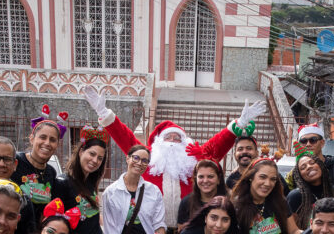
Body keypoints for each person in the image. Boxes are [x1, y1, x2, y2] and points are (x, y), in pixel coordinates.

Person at [84, 85, 266, 226]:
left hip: (188, 229)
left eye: (177, 138)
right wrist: (104, 113)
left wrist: (240, 122)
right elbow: (124, 136)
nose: (172, 141)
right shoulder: (147, 159)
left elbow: (218, 144)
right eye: (168, 137)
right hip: (152, 229)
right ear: (158, 142)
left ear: (185, 143)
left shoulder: (194, 159)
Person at [53, 127, 108, 234]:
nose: (95, 160)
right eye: (92, 154)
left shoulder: (91, 181)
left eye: (100, 158)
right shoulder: (62, 183)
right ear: (81, 151)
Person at [102, 144, 166, 234]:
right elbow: (111, 231)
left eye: (144, 161)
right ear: (128, 159)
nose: (139, 163)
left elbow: (159, 225)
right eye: (136, 158)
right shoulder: (111, 192)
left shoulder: (153, 191)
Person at [15, 106, 65, 234]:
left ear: (57, 144)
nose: (47, 143)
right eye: (43, 137)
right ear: (32, 138)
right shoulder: (16, 163)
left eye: (52, 140)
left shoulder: (51, 172)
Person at [287, 145, 334, 230]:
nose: (309, 167)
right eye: (303, 167)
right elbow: (292, 231)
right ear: (300, 175)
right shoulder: (295, 197)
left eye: (312, 163)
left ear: (320, 165)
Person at [176, 159, 227, 230]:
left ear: (219, 179)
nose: (205, 181)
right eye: (201, 177)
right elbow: (181, 231)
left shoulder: (227, 202)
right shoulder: (186, 202)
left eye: (210, 176)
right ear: (195, 179)